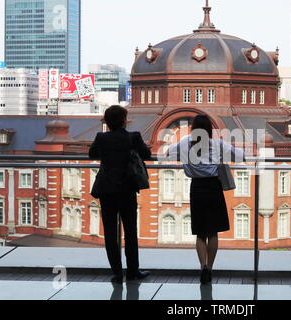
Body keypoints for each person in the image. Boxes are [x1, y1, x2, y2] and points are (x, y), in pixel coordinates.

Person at [167, 115, 244, 284]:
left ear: (193, 129)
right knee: (213, 232)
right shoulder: (216, 144)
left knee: (200, 233)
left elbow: (167, 152)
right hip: (214, 188)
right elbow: (241, 155)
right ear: (209, 129)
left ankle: (202, 267)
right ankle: (210, 267)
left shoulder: (186, 143)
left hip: (197, 188)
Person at [89, 105, 151, 283]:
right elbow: (146, 154)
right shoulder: (133, 137)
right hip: (127, 188)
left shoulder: (101, 137)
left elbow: (91, 154)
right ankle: (133, 271)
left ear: (107, 122)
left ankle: (117, 272)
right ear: (124, 121)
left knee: (110, 232)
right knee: (130, 231)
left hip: (107, 189)